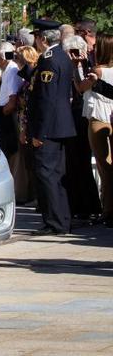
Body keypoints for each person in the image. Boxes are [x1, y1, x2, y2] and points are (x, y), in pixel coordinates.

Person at [27, 18, 76, 235]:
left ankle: (54, 221)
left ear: (42, 39)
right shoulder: (62, 57)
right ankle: (62, 219)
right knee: (56, 174)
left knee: (46, 175)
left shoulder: (49, 60)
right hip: (61, 125)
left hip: (50, 127)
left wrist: (40, 133)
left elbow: (46, 100)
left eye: (37, 37)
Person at [64, 34, 103, 221]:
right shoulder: (65, 66)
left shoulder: (90, 66)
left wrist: (77, 66)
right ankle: (77, 205)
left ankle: (90, 205)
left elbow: (81, 88)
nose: (73, 55)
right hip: (71, 117)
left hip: (83, 117)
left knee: (83, 163)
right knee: (73, 163)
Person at [80, 33, 113, 227]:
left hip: (99, 118)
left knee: (104, 166)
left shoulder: (97, 70)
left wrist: (79, 67)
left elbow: (80, 87)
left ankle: (107, 209)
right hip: (109, 116)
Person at [9, 46, 39, 204]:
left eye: (17, 57)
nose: (14, 60)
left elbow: (26, 104)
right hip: (23, 121)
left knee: (32, 161)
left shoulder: (31, 81)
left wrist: (24, 130)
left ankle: (35, 195)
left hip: (27, 123)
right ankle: (33, 194)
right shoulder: (25, 78)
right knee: (28, 161)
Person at [0, 42, 19, 159]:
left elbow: (12, 100)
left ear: (2, 57)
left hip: (7, 117)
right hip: (4, 113)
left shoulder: (12, 70)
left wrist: (0, 114)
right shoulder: (6, 70)